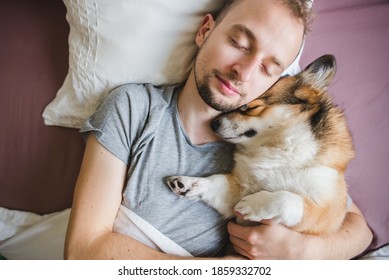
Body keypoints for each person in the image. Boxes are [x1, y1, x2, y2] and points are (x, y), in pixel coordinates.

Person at [64, 0, 372, 260]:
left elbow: (358, 230)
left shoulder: (276, 145)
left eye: (268, 68)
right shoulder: (134, 108)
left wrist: (302, 250)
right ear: (205, 31)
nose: (244, 71)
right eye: (238, 43)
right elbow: (82, 250)